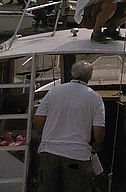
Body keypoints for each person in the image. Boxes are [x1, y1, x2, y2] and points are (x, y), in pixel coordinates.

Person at [33, 60, 105, 192]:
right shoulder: (95, 98)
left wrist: (45, 135)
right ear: (90, 76)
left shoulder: (53, 92)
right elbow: (98, 132)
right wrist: (97, 145)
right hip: (77, 157)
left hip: (49, 153)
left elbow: (38, 121)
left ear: (72, 73)